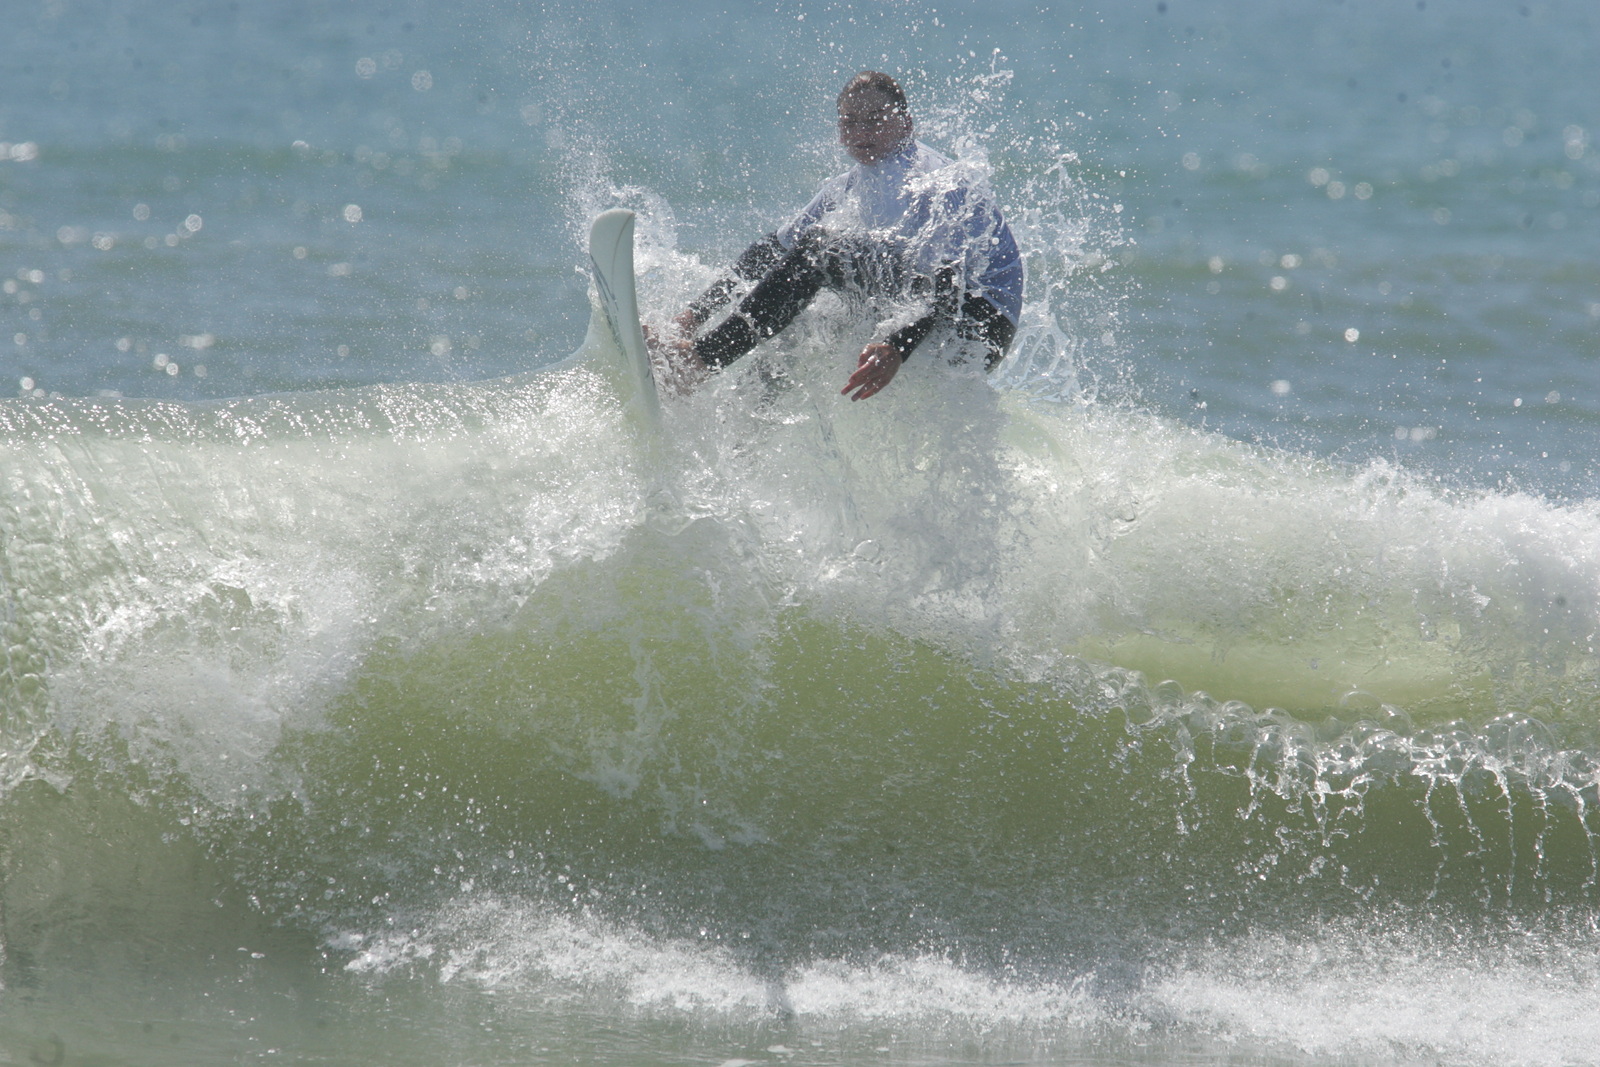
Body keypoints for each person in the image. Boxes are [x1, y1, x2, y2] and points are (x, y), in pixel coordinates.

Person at [654, 71, 1023, 401]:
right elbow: (771, 251)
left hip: (978, 327)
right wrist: (693, 313)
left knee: (823, 251)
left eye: (876, 120)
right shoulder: (850, 187)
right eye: (850, 122)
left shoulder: (934, 183)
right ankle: (742, 437)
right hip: (930, 313)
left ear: (907, 125)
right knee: (802, 327)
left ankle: (700, 361)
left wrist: (897, 346)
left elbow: (949, 287)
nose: (861, 133)